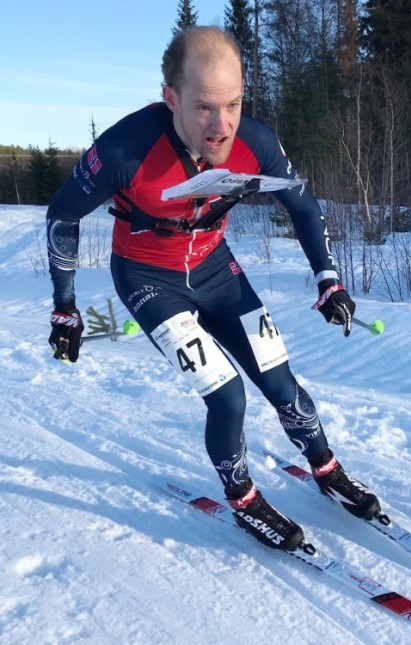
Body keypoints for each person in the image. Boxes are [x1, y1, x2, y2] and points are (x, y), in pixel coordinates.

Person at [46, 26, 380, 551]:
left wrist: (327, 278)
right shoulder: (124, 149)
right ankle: (242, 496)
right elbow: (61, 216)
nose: (222, 125)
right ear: (171, 98)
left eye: (234, 103)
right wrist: (64, 309)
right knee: (227, 396)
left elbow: (302, 204)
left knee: (281, 383)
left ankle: (325, 466)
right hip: (148, 280)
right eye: (203, 107)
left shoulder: (256, 142)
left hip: (216, 270)